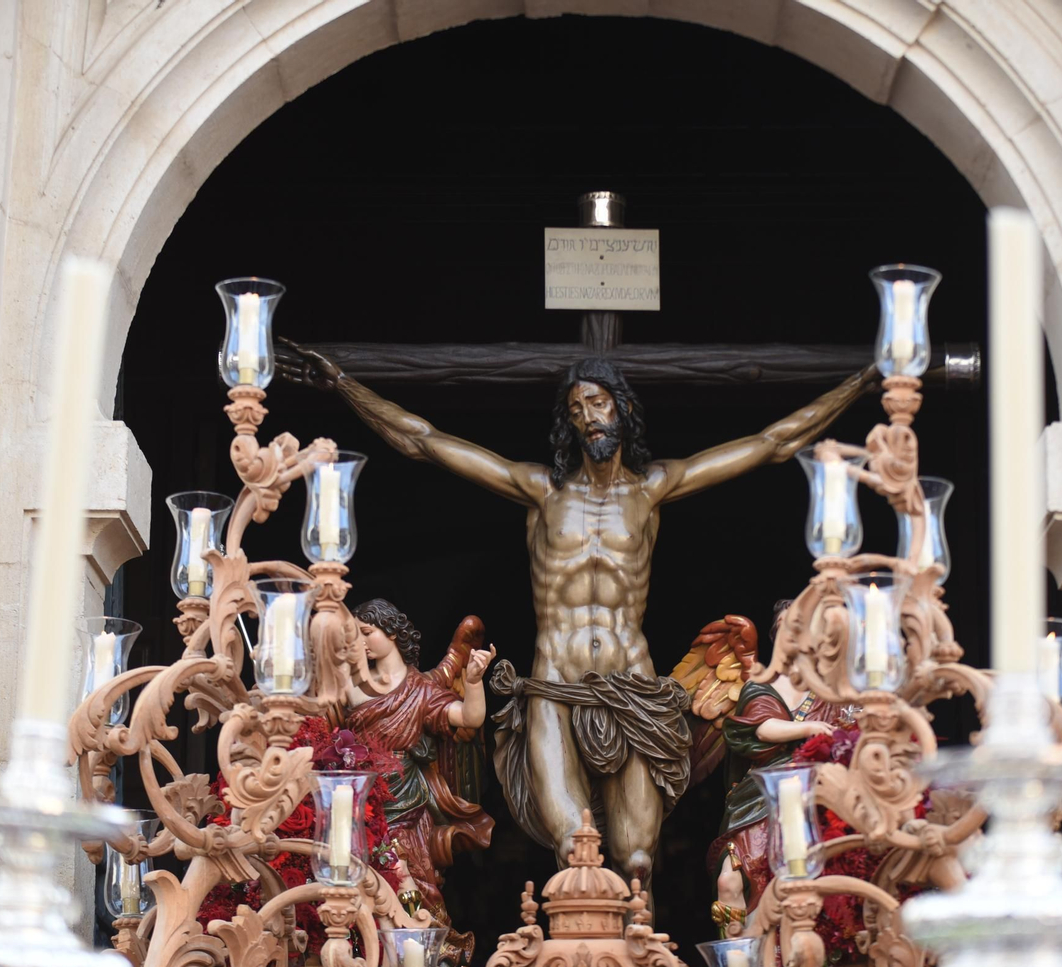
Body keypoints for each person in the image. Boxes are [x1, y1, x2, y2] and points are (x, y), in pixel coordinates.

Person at [283, 345, 877, 895]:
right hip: (554, 686)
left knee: (638, 855)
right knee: (573, 849)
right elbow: (424, 440)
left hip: (634, 689)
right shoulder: (542, 491)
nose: (589, 417)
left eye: (598, 403)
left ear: (622, 409)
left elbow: (773, 441)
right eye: (576, 408)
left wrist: (862, 381)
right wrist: (340, 382)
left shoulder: (651, 490)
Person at [341, 598, 495, 922]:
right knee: (357, 892)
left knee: (413, 885)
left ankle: (420, 948)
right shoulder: (352, 685)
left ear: (392, 632)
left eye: (367, 632)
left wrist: (473, 682)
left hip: (407, 809)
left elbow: (470, 717)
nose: (362, 642)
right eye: (356, 635)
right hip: (360, 807)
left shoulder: (422, 691)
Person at [709, 600, 857, 922]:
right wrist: (808, 727)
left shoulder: (834, 690)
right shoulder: (761, 684)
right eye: (785, 627)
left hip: (815, 797)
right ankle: (742, 965)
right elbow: (762, 729)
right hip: (761, 799)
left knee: (811, 887)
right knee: (730, 881)